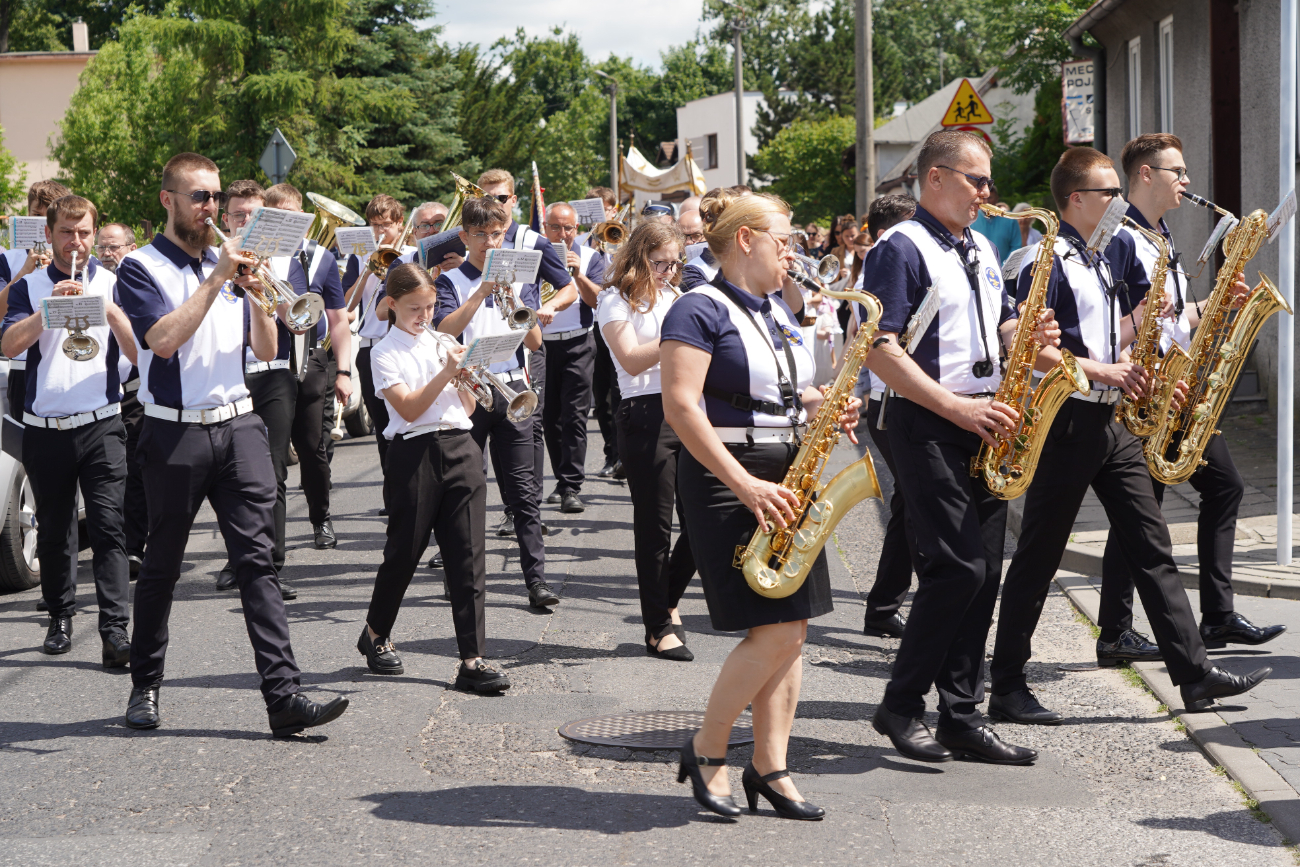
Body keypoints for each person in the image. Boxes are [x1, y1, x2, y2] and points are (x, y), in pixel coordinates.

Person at [988, 146, 1271, 724]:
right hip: (1064, 418)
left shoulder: (1103, 259)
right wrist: (1100, 369)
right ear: (1075, 199)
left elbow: (1118, 334)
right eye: (1107, 194)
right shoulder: (1043, 258)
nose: (1119, 203)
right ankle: (1007, 684)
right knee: (1039, 554)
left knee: (1152, 544)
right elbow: (1026, 344)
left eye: (1120, 192)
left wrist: (1163, 318)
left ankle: (1193, 675)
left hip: (1111, 419)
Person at [116, 152, 348, 736]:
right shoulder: (142, 268)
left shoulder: (233, 266)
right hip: (174, 430)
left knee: (259, 564)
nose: (210, 208)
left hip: (240, 422)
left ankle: (284, 696)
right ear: (168, 200)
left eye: (214, 197)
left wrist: (253, 289)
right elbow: (162, 342)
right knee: (163, 566)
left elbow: (267, 349)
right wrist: (219, 277)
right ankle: (145, 685)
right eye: (198, 197)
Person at [860, 129, 1046, 766]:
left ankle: (960, 715)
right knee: (957, 568)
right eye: (976, 180)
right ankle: (901, 704)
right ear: (934, 178)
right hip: (926, 421)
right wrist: (956, 407)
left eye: (988, 181)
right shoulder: (899, 247)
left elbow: (996, 323)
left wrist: (1028, 329)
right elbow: (878, 349)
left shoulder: (980, 248)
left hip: (983, 420)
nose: (987, 193)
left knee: (986, 572)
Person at [662, 188, 848, 820]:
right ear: (746, 240)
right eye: (783, 239)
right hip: (728, 478)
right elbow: (683, 407)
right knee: (769, 630)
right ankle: (707, 749)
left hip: (786, 472)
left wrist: (824, 404)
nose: (792, 251)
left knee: (792, 629)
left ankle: (770, 767)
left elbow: (780, 396)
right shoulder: (697, 307)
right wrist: (744, 483)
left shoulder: (776, 309)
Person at [1096, 134, 1285, 663]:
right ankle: (1116, 632)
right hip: (1150, 393)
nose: (1186, 182)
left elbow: (1172, 317)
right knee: (1143, 514)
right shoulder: (1121, 240)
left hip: (1180, 387)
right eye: (1175, 171)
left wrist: (1213, 302)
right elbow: (1115, 328)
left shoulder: (1161, 235)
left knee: (1219, 489)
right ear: (1144, 176)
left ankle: (1216, 617)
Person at [356, 263, 510, 693]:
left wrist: (466, 377)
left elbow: (469, 406)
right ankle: (374, 634)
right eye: (414, 309)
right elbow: (407, 409)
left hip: (461, 446)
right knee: (404, 552)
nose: (424, 316)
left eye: (429, 307)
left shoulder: (444, 340)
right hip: (413, 453)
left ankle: (472, 660)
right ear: (391, 305)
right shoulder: (383, 353)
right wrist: (446, 372)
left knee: (468, 555)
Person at [1, 194, 137, 664]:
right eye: (66, 232)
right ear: (49, 234)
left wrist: (110, 308)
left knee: (108, 526)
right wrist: (48, 311)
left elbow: (141, 355)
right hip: (45, 426)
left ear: (94, 235)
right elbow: (10, 343)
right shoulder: (30, 286)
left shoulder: (116, 281)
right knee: (56, 530)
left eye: (84, 233)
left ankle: (115, 630)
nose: (75, 242)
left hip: (102, 421)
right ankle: (60, 616)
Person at [434, 195, 560, 610]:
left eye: (497, 234)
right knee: (466, 492)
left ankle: (537, 580)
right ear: (465, 236)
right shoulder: (450, 281)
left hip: (512, 391)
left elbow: (536, 341)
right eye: (481, 235)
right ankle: (462, 578)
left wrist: (516, 303)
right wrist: (482, 291)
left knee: (524, 492)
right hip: (469, 394)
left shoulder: (518, 279)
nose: (490, 242)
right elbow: (446, 330)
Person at [598, 221, 696, 661]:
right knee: (655, 526)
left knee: (700, 522)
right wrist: (680, 337)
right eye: (660, 262)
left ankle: (666, 598)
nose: (669, 271)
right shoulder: (614, 300)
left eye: (675, 262)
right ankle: (657, 626)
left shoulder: (677, 296)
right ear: (638, 257)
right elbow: (632, 359)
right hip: (644, 413)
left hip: (688, 410)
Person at [209, 180, 303, 597]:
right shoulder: (211, 261)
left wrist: (262, 282)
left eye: (253, 214)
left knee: (274, 472)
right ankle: (239, 558)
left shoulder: (285, 260)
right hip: (226, 375)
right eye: (238, 215)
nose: (244, 221)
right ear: (226, 219)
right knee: (227, 478)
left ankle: (272, 564)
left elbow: (298, 319)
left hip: (273, 373)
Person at [473, 169, 575, 543]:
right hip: (480, 349)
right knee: (484, 436)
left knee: (525, 430)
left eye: (500, 198)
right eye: (485, 197)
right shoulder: (472, 238)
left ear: (513, 201)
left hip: (524, 346)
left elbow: (568, 288)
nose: (493, 205)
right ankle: (495, 515)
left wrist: (545, 308)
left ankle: (524, 512)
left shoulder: (532, 239)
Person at [267, 183, 352, 557]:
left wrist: (344, 371)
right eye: (279, 217)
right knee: (269, 458)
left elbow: (338, 321)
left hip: (310, 361)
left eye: (294, 217)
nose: (289, 225)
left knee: (312, 448)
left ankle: (321, 517)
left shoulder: (321, 259)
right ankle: (268, 545)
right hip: (266, 365)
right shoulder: (254, 255)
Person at [847, 193, 917, 639]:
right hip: (892, 401)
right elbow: (873, 337)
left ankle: (883, 607)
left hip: (893, 400)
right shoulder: (886, 261)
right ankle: (887, 606)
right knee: (916, 505)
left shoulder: (880, 260)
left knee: (910, 505)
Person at [541, 202, 605, 513]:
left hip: (579, 342)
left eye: (568, 228)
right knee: (548, 417)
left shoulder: (591, 256)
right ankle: (560, 479)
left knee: (574, 416)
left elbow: (597, 301)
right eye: (555, 227)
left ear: (576, 229)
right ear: (545, 227)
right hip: (543, 346)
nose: (562, 234)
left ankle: (571, 485)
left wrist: (578, 273)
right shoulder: (535, 254)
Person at [342, 195, 411, 474]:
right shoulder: (359, 257)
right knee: (383, 427)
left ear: (399, 223)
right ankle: (392, 493)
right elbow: (347, 307)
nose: (380, 232)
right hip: (371, 347)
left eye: (386, 225)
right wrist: (367, 272)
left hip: (405, 345)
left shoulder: (411, 254)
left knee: (409, 422)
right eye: (374, 225)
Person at [95, 223, 147, 577]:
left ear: (130, 247)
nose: (107, 253)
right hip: (103, 390)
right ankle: (117, 547)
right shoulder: (92, 282)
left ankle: (134, 547)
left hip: (137, 388)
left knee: (137, 470)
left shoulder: (139, 278)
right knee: (116, 474)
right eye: (102, 248)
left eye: (113, 247)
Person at [1, 181, 70, 417]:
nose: (42, 222)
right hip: (22, 366)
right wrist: (24, 273)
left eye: (49, 215)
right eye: (36, 215)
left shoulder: (77, 257)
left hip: (66, 363)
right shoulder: (8, 259)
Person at [583, 186, 623, 478]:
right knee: (602, 394)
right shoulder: (582, 244)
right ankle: (611, 453)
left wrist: (610, 245)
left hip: (620, 320)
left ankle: (626, 455)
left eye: (604, 209)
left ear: (613, 209)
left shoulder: (622, 237)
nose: (600, 215)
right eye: (593, 210)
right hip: (594, 323)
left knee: (622, 392)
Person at [970, 195, 1020, 261]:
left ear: (997, 198)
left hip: (1005, 268)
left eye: (990, 198)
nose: (987, 202)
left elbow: (1016, 247)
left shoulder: (1010, 219)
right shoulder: (970, 217)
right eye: (984, 198)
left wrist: (1005, 266)